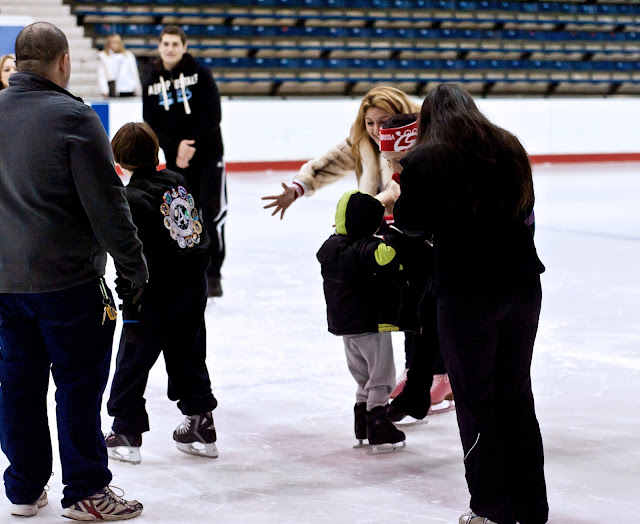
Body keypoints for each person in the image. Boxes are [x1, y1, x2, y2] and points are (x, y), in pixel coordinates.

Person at [0, 22, 147, 520]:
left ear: (17, 63)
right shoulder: (73, 117)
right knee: (78, 388)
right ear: (63, 61)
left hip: (3, 286)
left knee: (16, 385)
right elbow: (108, 206)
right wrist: (134, 268)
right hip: (67, 284)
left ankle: (22, 488)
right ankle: (85, 489)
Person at [394, 83, 548, 524]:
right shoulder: (509, 147)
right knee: (516, 394)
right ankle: (531, 507)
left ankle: (491, 508)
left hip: (467, 290)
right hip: (521, 285)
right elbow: (527, 212)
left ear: (426, 121)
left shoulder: (423, 159)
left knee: (476, 399)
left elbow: (410, 223)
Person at [105, 122, 219, 463]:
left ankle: (126, 430)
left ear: (119, 159)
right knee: (188, 351)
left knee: (133, 359)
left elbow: (135, 254)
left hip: (154, 295)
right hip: (192, 287)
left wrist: (128, 290)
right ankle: (201, 422)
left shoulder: (132, 198)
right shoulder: (177, 182)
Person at [317, 190, 411, 453]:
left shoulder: (330, 248)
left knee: (362, 375)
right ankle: (378, 423)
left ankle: (361, 421)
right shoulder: (365, 248)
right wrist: (394, 237)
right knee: (381, 375)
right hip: (370, 325)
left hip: (345, 326)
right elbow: (389, 256)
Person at [376, 114, 455, 421]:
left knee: (434, 312)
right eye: (389, 161)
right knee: (419, 313)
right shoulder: (406, 174)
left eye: (401, 161)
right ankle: (419, 382)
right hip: (428, 255)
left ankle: (441, 376)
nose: (395, 171)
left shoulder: (442, 173)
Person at [142, 25, 226, 298]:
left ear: (184, 47)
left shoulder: (201, 74)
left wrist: (189, 144)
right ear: (159, 47)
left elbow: (212, 116)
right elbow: (151, 122)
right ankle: (189, 269)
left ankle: (213, 274)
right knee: (183, 216)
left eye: (175, 44)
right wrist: (174, 148)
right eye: (165, 43)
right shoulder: (150, 81)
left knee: (211, 215)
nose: (170, 48)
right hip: (176, 159)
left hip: (208, 156)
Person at [261, 85, 420, 218]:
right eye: (370, 123)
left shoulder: (421, 144)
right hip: (376, 229)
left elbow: (397, 191)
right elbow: (328, 165)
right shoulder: (362, 142)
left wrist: (362, 213)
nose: (376, 130)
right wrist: (296, 190)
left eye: (384, 122)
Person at [97, 33, 142, 98]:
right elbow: (102, 75)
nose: (114, 45)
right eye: (112, 43)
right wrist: (104, 91)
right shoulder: (104, 56)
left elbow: (134, 73)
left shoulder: (128, 55)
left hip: (128, 88)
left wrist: (138, 89)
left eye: (116, 43)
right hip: (113, 89)